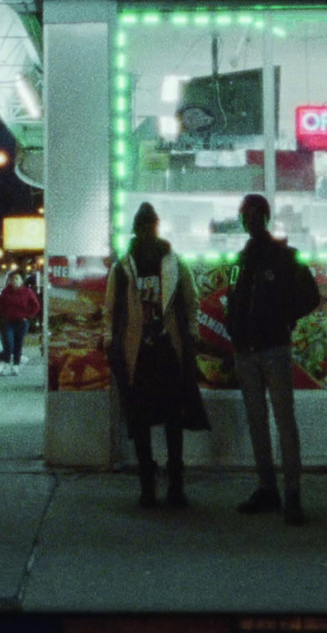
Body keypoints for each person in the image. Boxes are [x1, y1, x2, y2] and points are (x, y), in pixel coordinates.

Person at [104, 203, 211, 508]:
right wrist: (111, 341)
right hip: (137, 351)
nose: (146, 231)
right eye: (142, 227)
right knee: (140, 421)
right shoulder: (123, 267)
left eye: (150, 226)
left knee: (172, 419)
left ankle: (174, 485)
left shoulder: (174, 262)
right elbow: (111, 310)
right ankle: (149, 486)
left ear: (155, 227)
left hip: (167, 349)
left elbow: (192, 302)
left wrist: (191, 333)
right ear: (136, 230)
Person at [227, 193, 322, 526]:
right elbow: (233, 299)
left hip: (273, 350)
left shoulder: (285, 256)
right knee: (257, 423)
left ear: (265, 217)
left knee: (284, 422)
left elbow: (312, 297)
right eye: (245, 215)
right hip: (247, 352)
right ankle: (268, 489)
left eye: (254, 214)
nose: (249, 220)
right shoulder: (240, 259)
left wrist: (284, 317)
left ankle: (292, 494)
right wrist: (236, 335)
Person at [0, 272, 40, 376]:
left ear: (22, 281)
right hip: (7, 322)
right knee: (8, 343)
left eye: (17, 279)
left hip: (21, 322)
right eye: (13, 279)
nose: (15, 281)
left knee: (18, 343)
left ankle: (16, 365)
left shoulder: (27, 292)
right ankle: (6, 364)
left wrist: (28, 316)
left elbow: (36, 306)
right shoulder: (5, 292)